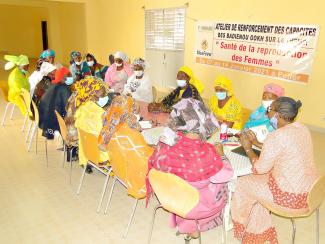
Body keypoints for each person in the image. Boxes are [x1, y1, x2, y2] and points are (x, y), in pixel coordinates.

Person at [231, 97, 318, 244]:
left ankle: (243, 228)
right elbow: (281, 149)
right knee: (258, 188)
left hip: (291, 199)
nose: (267, 114)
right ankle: (256, 233)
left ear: (277, 115)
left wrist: (247, 147)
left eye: (269, 110)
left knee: (244, 182)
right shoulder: (303, 129)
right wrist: (255, 142)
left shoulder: (276, 136)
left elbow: (259, 168)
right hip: (310, 191)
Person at [147, 98, 233, 240]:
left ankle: (186, 223)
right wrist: (222, 156)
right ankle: (196, 224)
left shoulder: (166, 144)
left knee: (190, 183)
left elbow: (157, 165)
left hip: (170, 196)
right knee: (224, 186)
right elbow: (225, 175)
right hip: (194, 204)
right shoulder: (207, 152)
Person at [74, 86, 110, 168]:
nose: (105, 98)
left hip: (85, 149)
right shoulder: (100, 113)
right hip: (98, 152)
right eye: (103, 96)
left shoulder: (83, 107)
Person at [38, 67, 73, 139]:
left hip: (44, 119)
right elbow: (69, 108)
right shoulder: (64, 89)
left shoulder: (53, 85)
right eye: (69, 76)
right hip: (53, 122)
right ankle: (72, 146)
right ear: (63, 77)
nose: (71, 77)